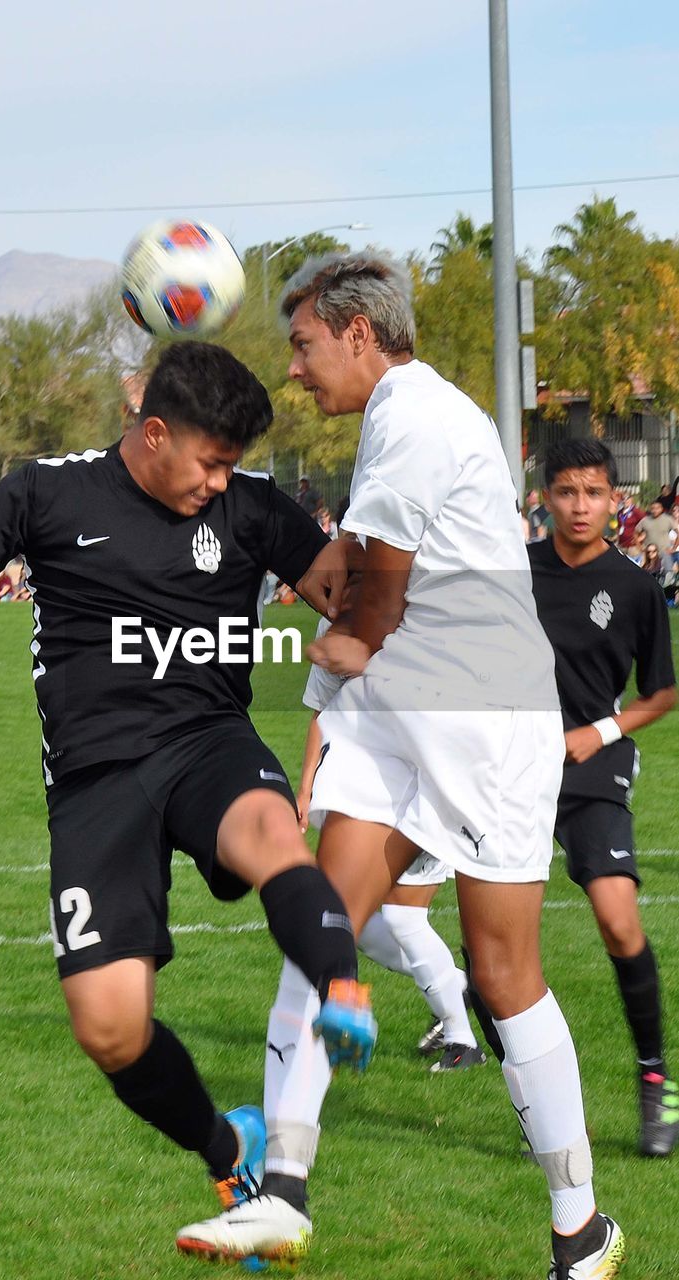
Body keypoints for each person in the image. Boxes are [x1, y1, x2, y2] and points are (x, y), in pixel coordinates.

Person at [0, 341, 364, 1239]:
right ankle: (229, 1155)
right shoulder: (46, 493)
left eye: (233, 465)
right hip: (96, 780)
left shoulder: (252, 509)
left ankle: (343, 990)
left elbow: (352, 594)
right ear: (153, 434)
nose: (221, 482)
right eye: (210, 462)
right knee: (108, 1028)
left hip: (208, 741)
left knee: (269, 833)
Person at [176, 252, 623, 1279]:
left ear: (359, 334)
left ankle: (581, 1224)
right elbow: (359, 596)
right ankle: (281, 1190)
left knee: (506, 975)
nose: (295, 370)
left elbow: (373, 599)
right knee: (316, 929)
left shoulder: (418, 417)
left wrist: (338, 653)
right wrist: (339, 662)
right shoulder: (392, 423)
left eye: (302, 344)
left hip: (487, 720)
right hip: (405, 710)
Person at [527, 438, 677, 1158]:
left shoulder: (634, 586)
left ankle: (655, 1079)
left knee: (618, 922)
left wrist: (600, 730)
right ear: (544, 496)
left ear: (614, 498)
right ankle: (537, 1101)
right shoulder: (513, 574)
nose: (579, 506)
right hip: (511, 772)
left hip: (591, 766)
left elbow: (663, 693)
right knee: (498, 948)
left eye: (592, 493)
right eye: (565, 492)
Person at [296, 616, 483, 1072]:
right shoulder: (333, 626)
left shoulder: (421, 615)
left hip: (422, 783)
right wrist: (305, 790)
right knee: (340, 925)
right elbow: (321, 713)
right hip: (359, 794)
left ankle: (462, 1037)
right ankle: (455, 986)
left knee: (403, 917)